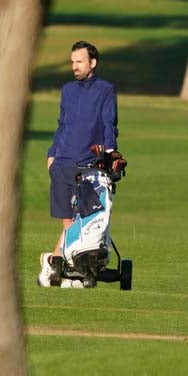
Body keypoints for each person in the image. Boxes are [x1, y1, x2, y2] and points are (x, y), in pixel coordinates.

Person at [43, 40, 118, 268]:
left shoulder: (105, 90)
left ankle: (57, 261)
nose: (75, 66)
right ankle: (67, 263)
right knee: (67, 220)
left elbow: (108, 124)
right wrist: (52, 154)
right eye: (73, 62)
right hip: (62, 161)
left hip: (89, 163)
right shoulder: (67, 90)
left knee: (84, 216)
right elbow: (62, 124)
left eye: (80, 62)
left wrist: (110, 152)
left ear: (92, 63)